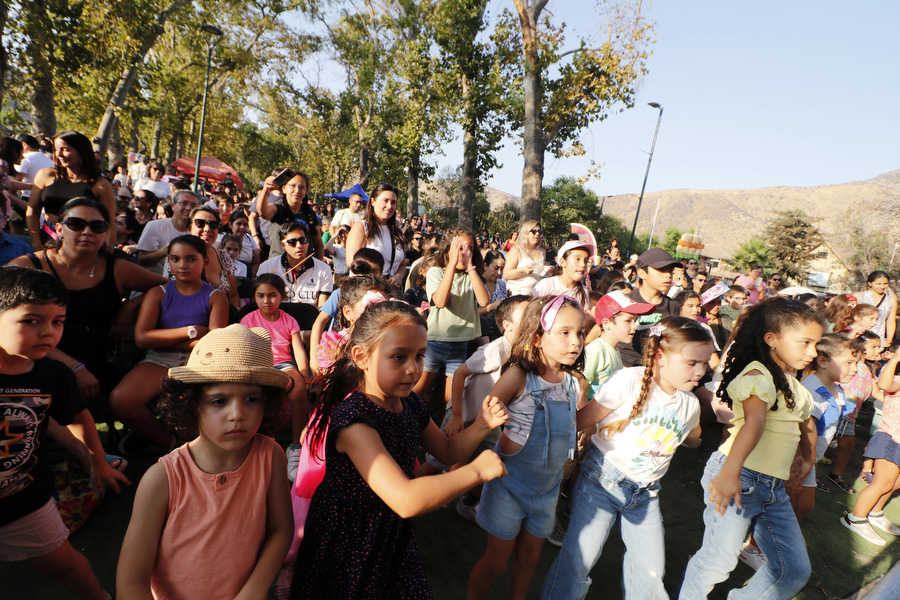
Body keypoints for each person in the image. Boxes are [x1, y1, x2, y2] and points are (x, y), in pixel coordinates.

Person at [289, 301, 508, 598]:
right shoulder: (355, 421)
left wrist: (482, 424)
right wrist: (476, 471)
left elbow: (446, 451)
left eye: (419, 356)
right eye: (399, 357)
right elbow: (405, 498)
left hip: (389, 528)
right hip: (349, 536)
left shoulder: (411, 404)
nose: (413, 369)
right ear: (361, 357)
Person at [116, 325, 293, 598]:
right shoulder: (162, 478)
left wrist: (254, 591)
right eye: (219, 401)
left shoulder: (270, 456)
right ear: (189, 402)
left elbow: (281, 529)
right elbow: (131, 582)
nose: (237, 414)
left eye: (251, 399)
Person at [541, 317, 712, 600]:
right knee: (578, 560)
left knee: (651, 573)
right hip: (601, 481)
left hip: (646, 494)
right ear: (660, 357)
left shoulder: (690, 404)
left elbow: (693, 435)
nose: (701, 371)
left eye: (705, 363)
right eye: (692, 362)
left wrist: (700, 438)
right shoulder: (628, 381)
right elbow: (580, 420)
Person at [679, 299, 822, 600]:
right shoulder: (758, 373)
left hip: (772, 488)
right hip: (739, 477)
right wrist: (730, 472)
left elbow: (807, 425)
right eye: (805, 343)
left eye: (816, 344)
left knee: (793, 570)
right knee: (718, 561)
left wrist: (808, 462)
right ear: (771, 339)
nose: (813, 352)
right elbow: (753, 423)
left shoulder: (796, 386)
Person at [0, 266, 128, 600]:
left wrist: (97, 462)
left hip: (26, 500)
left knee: (64, 563)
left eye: (57, 321)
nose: (48, 332)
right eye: (32, 320)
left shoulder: (53, 374)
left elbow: (80, 417)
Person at [466, 296, 587, 600]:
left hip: (547, 491)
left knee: (529, 559)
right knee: (495, 562)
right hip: (510, 486)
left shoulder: (575, 382)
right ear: (537, 337)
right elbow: (486, 418)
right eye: (564, 332)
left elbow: (577, 423)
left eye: (581, 332)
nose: (576, 341)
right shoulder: (517, 376)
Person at [10, 198, 167, 402]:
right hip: (35, 359)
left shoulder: (117, 268)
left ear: (105, 233)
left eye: (97, 226)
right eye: (76, 224)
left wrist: (130, 305)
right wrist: (74, 367)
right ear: (59, 228)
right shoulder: (29, 266)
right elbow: (10, 328)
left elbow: (170, 287)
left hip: (96, 364)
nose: (87, 232)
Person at [110, 235, 229, 454]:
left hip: (200, 364)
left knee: (211, 403)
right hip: (158, 360)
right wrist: (190, 332)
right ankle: (170, 443)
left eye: (191, 259)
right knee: (121, 400)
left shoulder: (216, 296)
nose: (182, 265)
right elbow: (142, 338)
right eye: (175, 259)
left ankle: (197, 442)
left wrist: (168, 339)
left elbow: (213, 344)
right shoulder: (158, 293)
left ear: (206, 262)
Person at [429, 295, 530, 519]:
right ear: (507, 325)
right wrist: (456, 414)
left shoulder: (522, 350)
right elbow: (460, 373)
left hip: (486, 421)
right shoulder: (496, 349)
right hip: (464, 415)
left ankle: (468, 502)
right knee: (439, 459)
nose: (534, 320)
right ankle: (414, 487)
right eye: (527, 315)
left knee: (489, 457)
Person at [241, 274, 311, 479]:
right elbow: (244, 348)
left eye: (272, 295)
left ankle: (296, 446)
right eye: (260, 295)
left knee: (298, 388)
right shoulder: (248, 319)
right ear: (254, 297)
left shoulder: (289, 320)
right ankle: (259, 446)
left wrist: (304, 375)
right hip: (258, 365)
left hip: (284, 365)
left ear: (282, 296)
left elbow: (298, 350)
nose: (266, 300)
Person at [413, 226, 490, 407]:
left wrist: (471, 268)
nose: (465, 253)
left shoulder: (471, 275)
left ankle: (442, 431)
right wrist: (451, 264)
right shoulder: (436, 272)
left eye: (470, 248)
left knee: (450, 400)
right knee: (420, 391)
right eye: (459, 248)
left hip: (460, 345)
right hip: (435, 342)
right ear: (448, 250)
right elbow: (439, 301)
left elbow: (485, 301)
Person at [791, 334, 856, 521]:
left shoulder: (835, 390)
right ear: (823, 361)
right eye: (849, 363)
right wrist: (803, 462)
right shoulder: (813, 391)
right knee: (786, 502)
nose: (855, 369)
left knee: (805, 505)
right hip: (797, 459)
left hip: (810, 459)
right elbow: (804, 431)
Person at [842, 348, 900, 547]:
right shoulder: (898, 382)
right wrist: (895, 359)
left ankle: (875, 512)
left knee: (895, 483)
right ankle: (856, 518)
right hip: (892, 439)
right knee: (883, 483)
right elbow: (883, 384)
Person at [27, 131, 116, 249]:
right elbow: (32, 210)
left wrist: (107, 255)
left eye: (65, 149)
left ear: (81, 152)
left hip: (84, 241)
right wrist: (36, 243)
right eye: (56, 149)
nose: (59, 154)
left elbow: (109, 223)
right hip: (48, 239)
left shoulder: (100, 185)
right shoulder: (45, 175)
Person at [828, 331, 882, 491]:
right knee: (823, 441)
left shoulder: (869, 370)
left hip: (850, 416)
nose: (878, 350)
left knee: (847, 444)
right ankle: (812, 471)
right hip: (835, 410)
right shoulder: (850, 364)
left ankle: (836, 473)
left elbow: (876, 392)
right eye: (874, 347)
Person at [163, 206, 240, 308]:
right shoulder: (176, 258)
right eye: (200, 223)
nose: (207, 229)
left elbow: (233, 295)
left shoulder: (224, 257)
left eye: (213, 225)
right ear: (189, 229)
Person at [618, 248, 682, 368]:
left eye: (670, 270)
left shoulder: (673, 306)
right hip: (623, 367)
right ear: (642, 273)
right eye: (661, 270)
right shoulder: (624, 301)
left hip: (655, 368)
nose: (668, 275)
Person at [583, 290, 654, 398]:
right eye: (628, 321)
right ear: (607, 324)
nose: (635, 326)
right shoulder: (595, 350)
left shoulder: (614, 350)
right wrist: (585, 414)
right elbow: (578, 388)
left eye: (634, 320)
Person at [258, 220, 333, 309]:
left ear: (308, 242)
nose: (299, 246)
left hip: (310, 321)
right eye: (292, 242)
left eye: (303, 240)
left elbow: (322, 308)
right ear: (282, 245)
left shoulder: (323, 269)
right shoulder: (267, 267)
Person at [345, 182, 407, 287]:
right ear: (373, 201)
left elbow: (402, 265)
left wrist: (398, 277)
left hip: (390, 292)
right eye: (385, 201)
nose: (389, 206)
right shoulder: (362, 227)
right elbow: (352, 262)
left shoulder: (397, 233)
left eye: (393, 202)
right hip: (364, 289)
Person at [256, 169, 324, 260]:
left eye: (301, 187)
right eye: (293, 186)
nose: (297, 190)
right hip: (278, 267)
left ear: (305, 192)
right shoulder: (277, 209)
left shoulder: (309, 213)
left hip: (304, 268)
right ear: (284, 189)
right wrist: (266, 190)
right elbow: (262, 212)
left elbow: (319, 244)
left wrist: (318, 267)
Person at [135, 190, 201, 273]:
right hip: (157, 278)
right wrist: (164, 252)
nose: (188, 208)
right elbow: (142, 260)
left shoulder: (200, 230)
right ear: (173, 206)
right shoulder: (155, 226)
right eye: (184, 203)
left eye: (193, 205)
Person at [531, 240, 593, 312]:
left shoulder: (583, 291)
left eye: (586, 260)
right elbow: (530, 312)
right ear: (563, 262)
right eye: (577, 259)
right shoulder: (546, 285)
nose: (583, 264)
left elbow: (586, 318)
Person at [504, 219, 545, 296]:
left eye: (539, 232)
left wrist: (547, 271)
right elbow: (506, 274)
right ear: (526, 233)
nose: (537, 234)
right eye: (534, 231)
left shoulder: (542, 252)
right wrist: (522, 270)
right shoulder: (517, 250)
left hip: (535, 297)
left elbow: (540, 275)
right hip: (517, 296)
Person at [857, 271, 897, 347]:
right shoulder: (859, 297)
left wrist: (889, 340)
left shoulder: (891, 301)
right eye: (878, 284)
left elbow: (890, 321)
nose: (882, 286)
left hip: (879, 339)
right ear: (870, 283)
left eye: (885, 284)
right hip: (859, 337)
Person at [477, 250, 508, 342]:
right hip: (479, 330)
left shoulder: (501, 284)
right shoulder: (477, 283)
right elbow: (469, 313)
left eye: (502, 269)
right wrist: (491, 307)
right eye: (496, 268)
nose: (499, 272)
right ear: (485, 265)